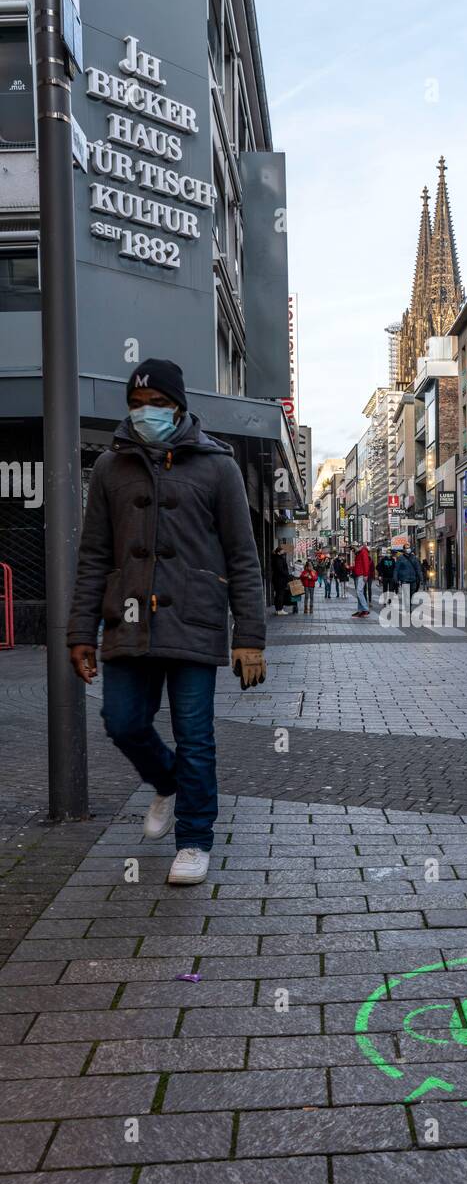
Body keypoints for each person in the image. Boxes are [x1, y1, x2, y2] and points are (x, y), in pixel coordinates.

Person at [66, 358, 266, 886]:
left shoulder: (217, 465)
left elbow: (243, 556)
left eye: (156, 404)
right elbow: (93, 556)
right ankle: (169, 782)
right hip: (128, 621)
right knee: (122, 721)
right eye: (136, 405)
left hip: (196, 619)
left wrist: (250, 637)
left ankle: (195, 839)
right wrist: (80, 632)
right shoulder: (110, 468)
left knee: (195, 736)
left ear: (178, 406)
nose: (146, 413)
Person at [351, 543, 373, 616]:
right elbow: (358, 564)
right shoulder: (359, 552)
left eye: (353, 548)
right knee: (359, 592)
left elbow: (366, 563)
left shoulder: (363, 551)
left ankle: (365, 609)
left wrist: (366, 575)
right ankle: (360, 610)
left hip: (362, 574)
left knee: (359, 592)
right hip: (358, 574)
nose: (353, 551)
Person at [271, 545, 290, 615]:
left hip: (278, 579)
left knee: (278, 594)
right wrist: (286, 575)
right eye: (282, 550)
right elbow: (281, 569)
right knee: (280, 594)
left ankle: (278, 609)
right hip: (280, 579)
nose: (283, 551)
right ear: (279, 552)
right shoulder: (278, 559)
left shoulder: (277, 558)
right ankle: (279, 609)